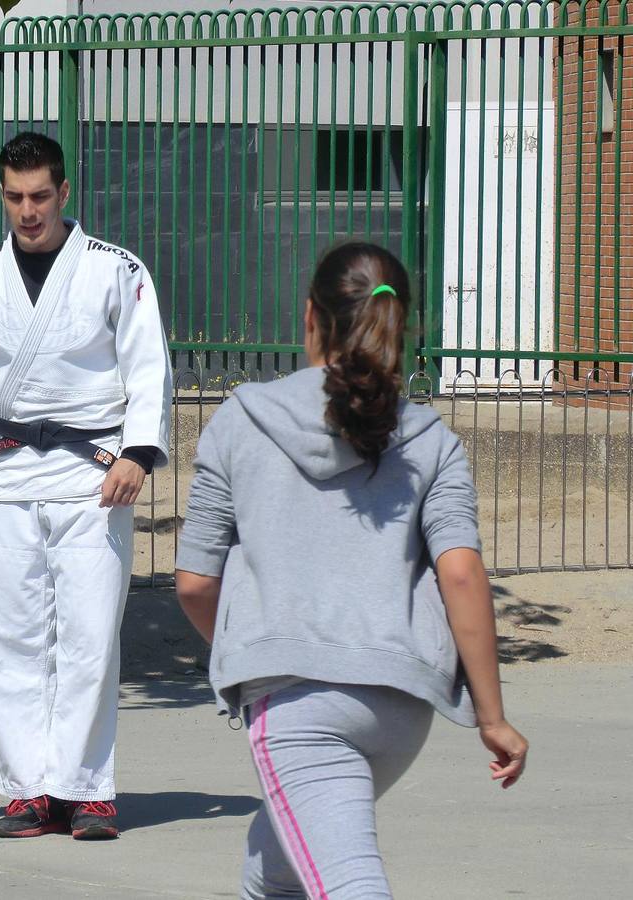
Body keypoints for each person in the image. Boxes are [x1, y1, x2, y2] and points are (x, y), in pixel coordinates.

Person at [174, 241, 529, 899]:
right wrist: (491, 715)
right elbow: (461, 576)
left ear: (310, 316)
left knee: (349, 886)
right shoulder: (432, 439)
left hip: (295, 705)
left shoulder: (239, 419)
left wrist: (251, 646)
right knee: (269, 867)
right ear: (400, 327)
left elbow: (195, 582)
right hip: (401, 709)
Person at [0, 132, 172, 840]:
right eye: (14, 197)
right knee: (9, 637)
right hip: (12, 471)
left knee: (88, 634)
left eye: (40, 196)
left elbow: (147, 366)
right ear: (2, 194)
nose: (28, 210)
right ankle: (28, 788)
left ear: (65, 192)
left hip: (94, 473)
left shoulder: (116, 270)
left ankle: (85, 789)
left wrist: (138, 451)